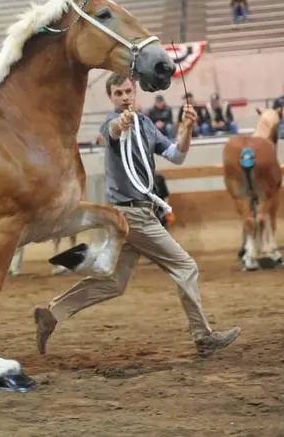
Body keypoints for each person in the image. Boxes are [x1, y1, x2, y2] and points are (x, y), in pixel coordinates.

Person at [33, 74, 241, 358]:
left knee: (114, 283)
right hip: (133, 215)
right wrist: (122, 124)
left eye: (128, 91)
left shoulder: (146, 124)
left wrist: (186, 128)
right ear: (111, 97)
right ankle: (202, 336)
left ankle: (52, 313)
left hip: (134, 215)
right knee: (186, 267)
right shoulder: (112, 123)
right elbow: (115, 131)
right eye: (118, 93)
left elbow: (176, 155)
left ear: (135, 91)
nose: (124, 97)